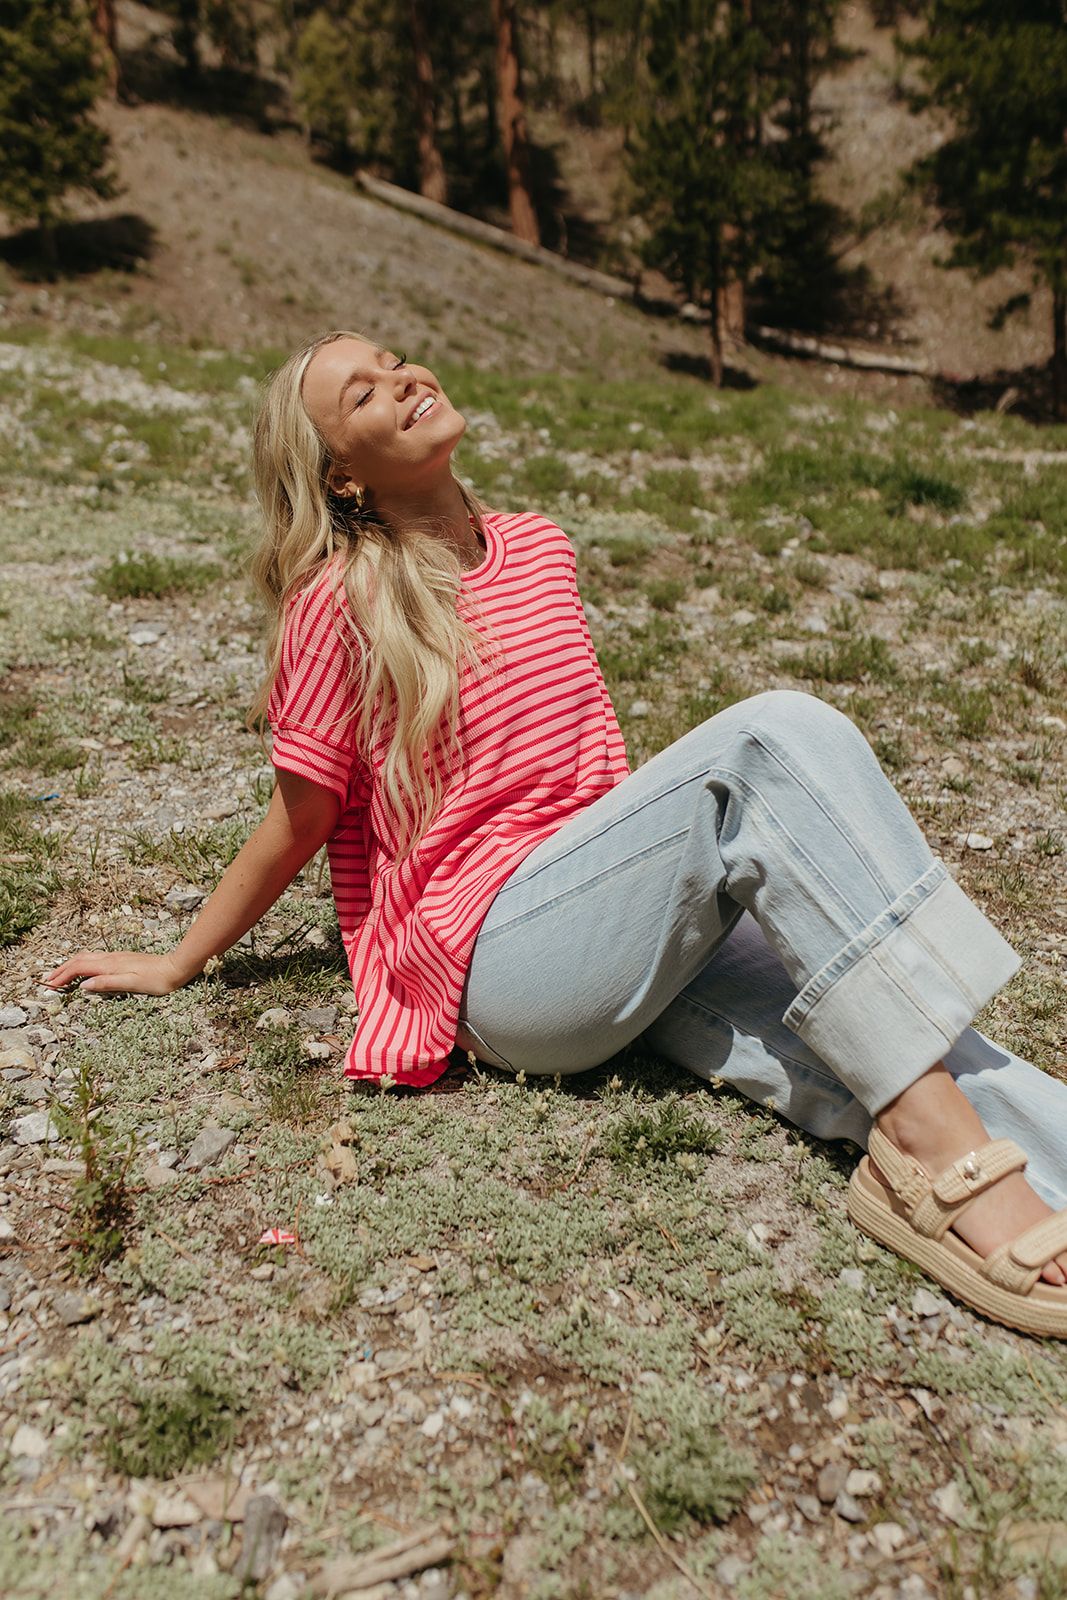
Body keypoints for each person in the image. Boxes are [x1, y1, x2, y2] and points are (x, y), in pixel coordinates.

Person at [43, 332, 1067, 1339]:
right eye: (360, 394)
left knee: (893, 1028)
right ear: (340, 476)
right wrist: (182, 958)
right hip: (499, 962)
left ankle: (964, 1150)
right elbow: (300, 816)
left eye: (393, 362)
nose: (400, 380)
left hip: (603, 923)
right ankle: (937, 1151)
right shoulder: (336, 601)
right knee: (770, 738)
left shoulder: (538, 545)